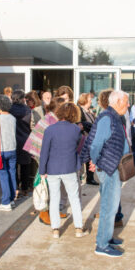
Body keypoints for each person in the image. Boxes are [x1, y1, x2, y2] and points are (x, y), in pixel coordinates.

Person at [83, 90, 130, 258]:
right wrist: (96, 162)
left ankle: (107, 238)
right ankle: (102, 245)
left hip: (111, 167)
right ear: (117, 102)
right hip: (108, 168)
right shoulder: (107, 118)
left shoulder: (113, 116)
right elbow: (96, 145)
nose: (128, 105)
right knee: (109, 207)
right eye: (126, 102)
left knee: (110, 205)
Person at [39, 102, 89, 239]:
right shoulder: (76, 130)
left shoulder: (49, 129)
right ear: (74, 114)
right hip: (70, 167)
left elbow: (44, 152)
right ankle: (78, 227)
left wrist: (41, 170)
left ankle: (55, 229)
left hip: (52, 168)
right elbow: (79, 148)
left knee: (54, 199)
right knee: (74, 198)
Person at [0, 94, 18, 212]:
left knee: (3, 175)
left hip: (0, 149)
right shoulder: (12, 117)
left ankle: (5, 202)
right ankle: (11, 199)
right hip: (12, 149)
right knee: (12, 173)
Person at [9, 89, 32, 198]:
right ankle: (25, 188)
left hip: (12, 139)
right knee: (25, 166)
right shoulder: (28, 110)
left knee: (13, 166)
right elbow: (31, 126)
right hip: (25, 139)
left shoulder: (9, 109)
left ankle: (15, 187)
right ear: (23, 98)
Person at [77, 93, 98, 185]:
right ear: (84, 100)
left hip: (91, 137)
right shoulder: (80, 110)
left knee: (91, 157)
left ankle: (90, 177)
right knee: (85, 157)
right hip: (84, 137)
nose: (91, 101)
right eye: (90, 99)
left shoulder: (89, 111)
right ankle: (84, 177)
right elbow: (81, 123)